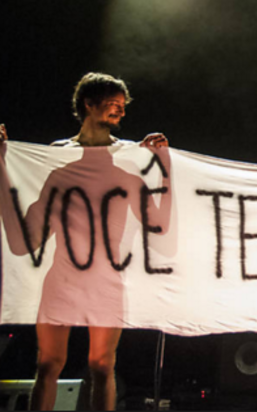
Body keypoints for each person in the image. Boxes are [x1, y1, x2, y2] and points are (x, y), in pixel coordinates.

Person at [0, 72, 170, 411]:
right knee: (48, 364)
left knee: (102, 365)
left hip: (106, 279)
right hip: (63, 277)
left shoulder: (129, 157)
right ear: (89, 105)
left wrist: (164, 165)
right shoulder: (59, 156)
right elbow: (32, 229)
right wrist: (4, 162)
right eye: (113, 104)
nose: (121, 111)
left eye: (122, 105)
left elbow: (158, 225)